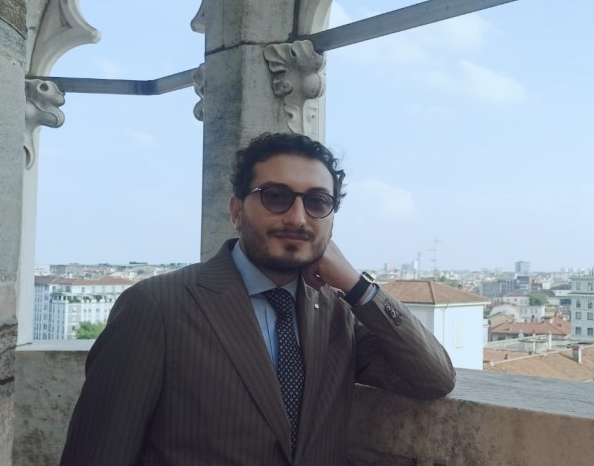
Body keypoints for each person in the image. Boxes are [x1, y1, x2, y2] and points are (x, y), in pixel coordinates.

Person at [60, 133, 456, 465]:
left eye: (318, 202)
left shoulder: (335, 312)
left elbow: (433, 378)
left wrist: (356, 285)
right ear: (237, 210)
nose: (298, 218)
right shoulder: (158, 306)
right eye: (276, 196)